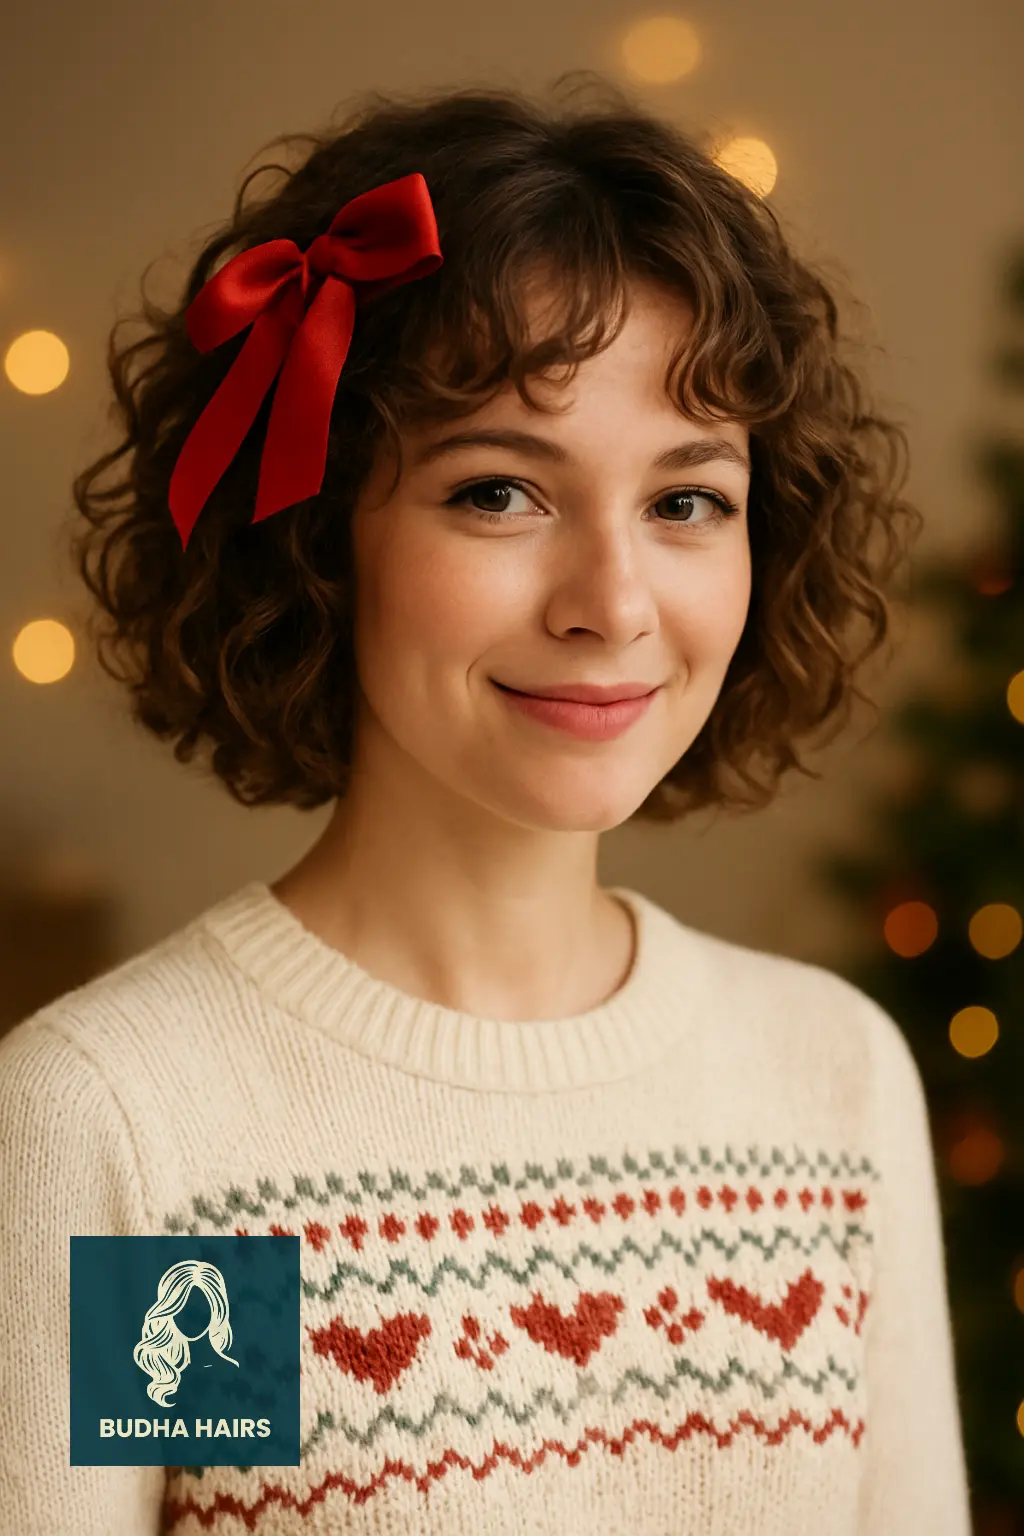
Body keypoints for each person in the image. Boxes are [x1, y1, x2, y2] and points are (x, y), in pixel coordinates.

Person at [0, 73, 971, 1535]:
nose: (613, 602)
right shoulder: (143, 1130)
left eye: (687, 499)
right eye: (499, 493)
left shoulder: (831, 1081)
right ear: (321, 535)